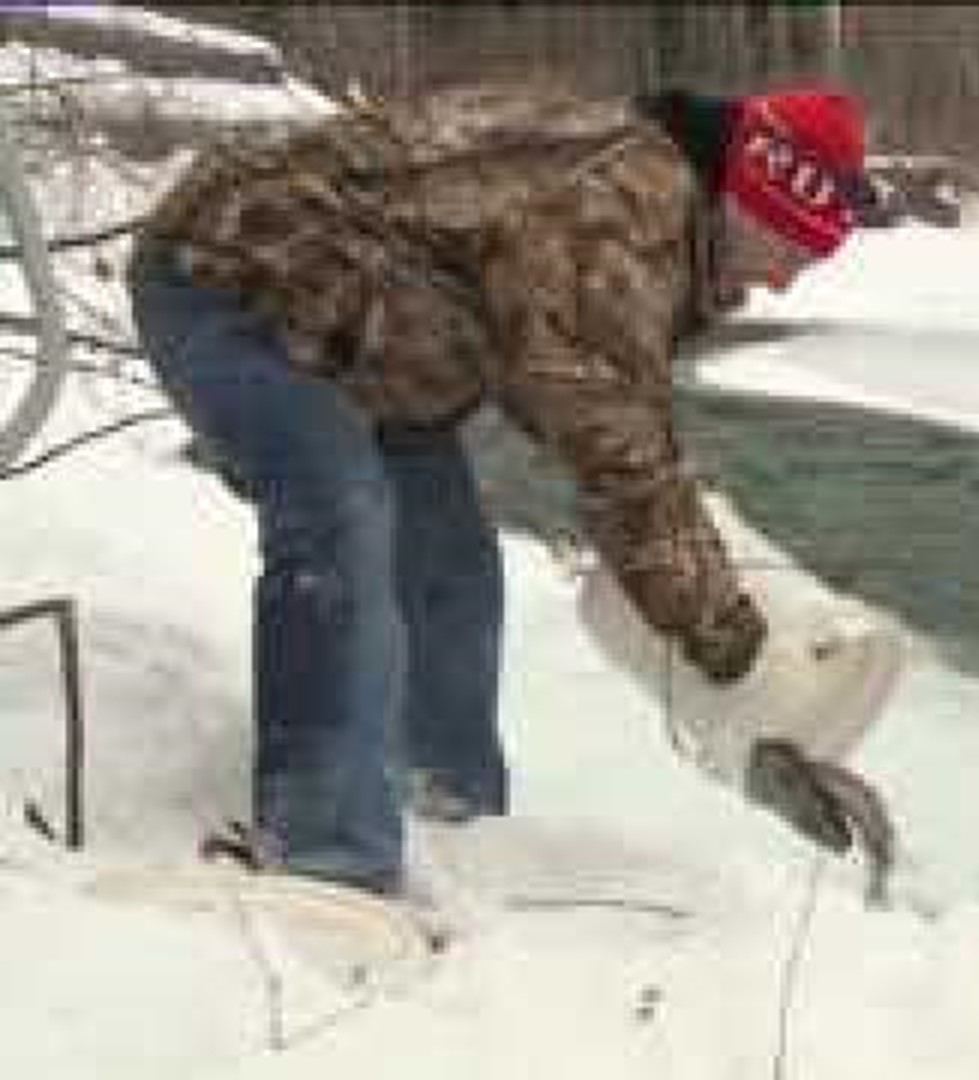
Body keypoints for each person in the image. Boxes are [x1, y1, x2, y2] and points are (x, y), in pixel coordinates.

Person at [127, 81, 873, 896]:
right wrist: (734, 644)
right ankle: (322, 853)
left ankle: (450, 815)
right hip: (231, 278)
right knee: (344, 519)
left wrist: (684, 555)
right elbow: (614, 443)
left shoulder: (656, 206)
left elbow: (568, 385)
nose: (789, 283)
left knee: (452, 570)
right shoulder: (620, 206)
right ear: (755, 196)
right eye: (795, 251)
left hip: (372, 348)